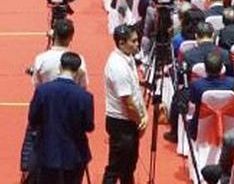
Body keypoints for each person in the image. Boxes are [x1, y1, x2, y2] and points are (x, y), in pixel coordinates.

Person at [26, 51, 93, 184]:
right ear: (78, 71)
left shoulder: (43, 91)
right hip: (75, 155)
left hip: (47, 152)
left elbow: (33, 119)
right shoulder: (85, 97)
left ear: (60, 67)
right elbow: (89, 126)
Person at [102, 24, 145, 184]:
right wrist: (140, 120)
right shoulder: (118, 66)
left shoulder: (128, 57)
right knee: (115, 167)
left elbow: (136, 90)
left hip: (129, 120)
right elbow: (128, 102)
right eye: (133, 41)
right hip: (121, 123)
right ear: (121, 43)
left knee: (128, 167)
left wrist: (144, 114)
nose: (137, 44)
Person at [30, 17, 89, 90]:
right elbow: (83, 87)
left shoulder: (40, 59)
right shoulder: (79, 60)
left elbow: (37, 86)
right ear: (71, 37)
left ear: (53, 34)